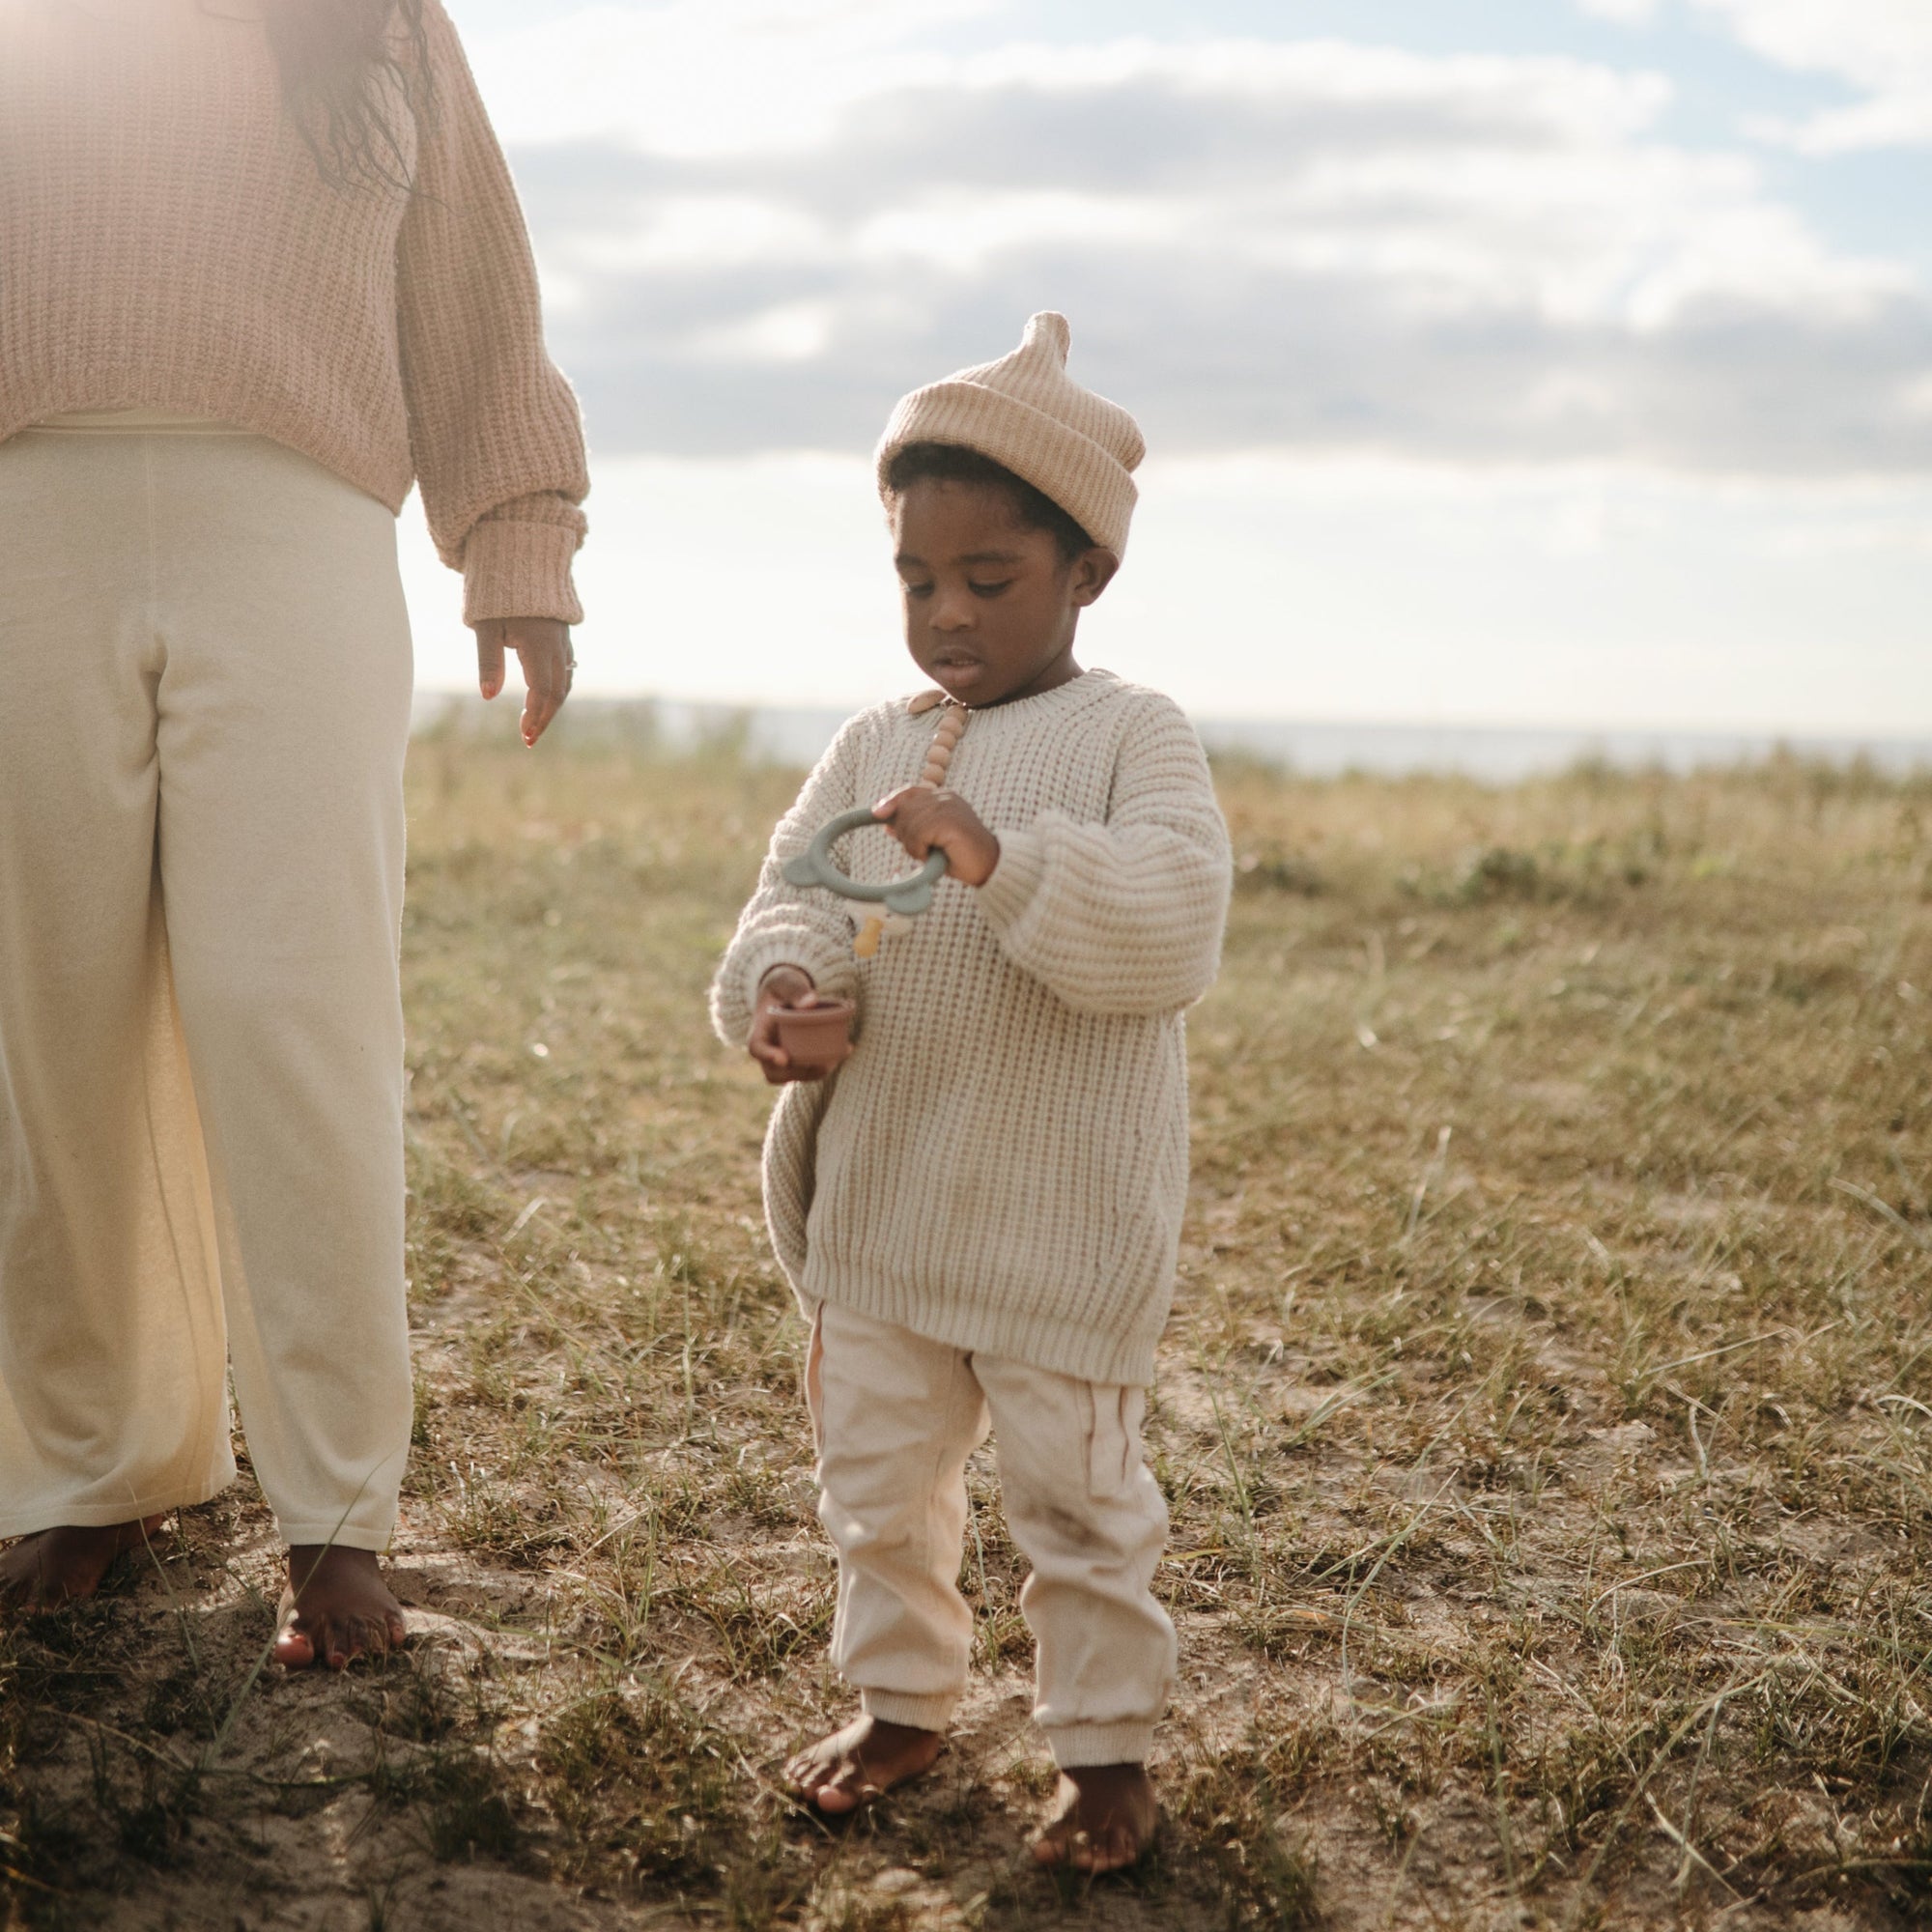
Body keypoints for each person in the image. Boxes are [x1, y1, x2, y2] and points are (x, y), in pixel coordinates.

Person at [0, 0, 586, 1669]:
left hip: (301, 527)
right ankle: (90, 1470)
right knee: (50, 1020)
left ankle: (336, 1515)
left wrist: (519, 549)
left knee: (300, 1014)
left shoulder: (383, 16)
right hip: (20, 520)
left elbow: (476, 295)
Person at [710, 313, 1232, 1871]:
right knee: (875, 1483)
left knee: (1080, 1505)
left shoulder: (1132, 735)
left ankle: (1105, 1746)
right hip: (890, 1204)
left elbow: (1174, 925)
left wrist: (999, 854)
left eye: (987, 582)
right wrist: (789, 997)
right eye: (916, 581)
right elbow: (788, 903)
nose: (945, 616)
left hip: (1058, 1227)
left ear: (1086, 573)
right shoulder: (879, 740)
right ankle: (902, 1702)